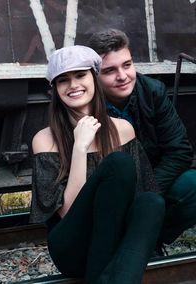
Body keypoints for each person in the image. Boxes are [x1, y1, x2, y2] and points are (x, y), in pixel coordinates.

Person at [29, 45, 165, 284]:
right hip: (73, 247)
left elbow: (136, 198)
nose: (73, 85)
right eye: (63, 80)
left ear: (94, 78)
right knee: (119, 164)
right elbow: (67, 212)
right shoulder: (45, 139)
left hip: (114, 239)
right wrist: (79, 148)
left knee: (152, 201)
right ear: (56, 90)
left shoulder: (122, 129)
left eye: (80, 75)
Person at [87, 28, 196, 250]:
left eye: (127, 65)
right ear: (94, 75)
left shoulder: (152, 91)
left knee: (192, 185)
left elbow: (180, 150)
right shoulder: (84, 103)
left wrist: (145, 191)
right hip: (108, 191)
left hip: (151, 181)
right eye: (109, 70)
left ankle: (148, 239)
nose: (122, 76)